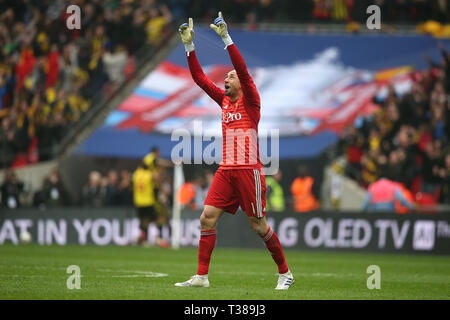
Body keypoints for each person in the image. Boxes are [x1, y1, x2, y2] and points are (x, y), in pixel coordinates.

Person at [174, 13, 294, 290]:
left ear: (242, 82)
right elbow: (200, 79)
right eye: (226, 77)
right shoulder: (224, 102)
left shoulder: (251, 101)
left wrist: (225, 38)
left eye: (230, 76)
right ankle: (202, 277)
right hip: (226, 169)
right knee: (206, 217)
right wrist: (189, 47)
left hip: (248, 170)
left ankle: (285, 273)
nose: (226, 79)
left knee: (258, 225)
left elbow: (241, 67)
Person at [132, 162, 169, 247]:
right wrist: (163, 190)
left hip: (138, 202)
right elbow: (156, 178)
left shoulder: (136, 174)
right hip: (148, 202)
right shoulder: (149, 174)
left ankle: (142, 238)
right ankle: (158, 238)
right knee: (160, 218)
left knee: (144, 221)